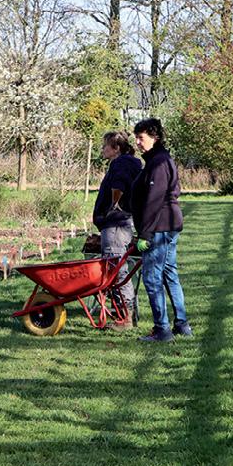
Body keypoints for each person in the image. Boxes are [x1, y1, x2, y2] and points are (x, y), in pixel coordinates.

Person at [129, 117, 192, 342]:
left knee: (152, 277)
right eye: (136, 138)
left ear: (154, 137)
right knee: (168, 273)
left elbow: (154, 201)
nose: (137, 142)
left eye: (141, 138)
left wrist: (145, 234)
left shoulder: (159, 163)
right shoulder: (157, 160)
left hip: (160, 227)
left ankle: (162, 329)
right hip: (166, 224)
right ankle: (181, 324)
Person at [92, 130, 143, 329]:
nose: (103, 149)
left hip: (116, 225)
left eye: (106, 145)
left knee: (115, 269)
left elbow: (119, 185)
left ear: (116, 148)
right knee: (116, 268)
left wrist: (113, 206)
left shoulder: (121, 163)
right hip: (119, 224)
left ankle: (125, 317)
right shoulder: (129, 163)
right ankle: (124, 313)